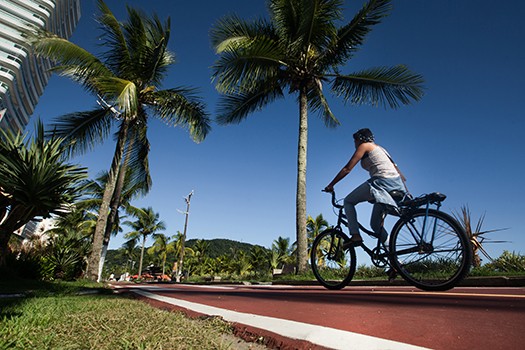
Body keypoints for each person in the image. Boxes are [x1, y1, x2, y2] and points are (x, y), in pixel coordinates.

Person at [323, 128, 407, 245]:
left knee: (348, 201)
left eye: (355, 140)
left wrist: (331, 185)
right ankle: (394, 259)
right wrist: (406, 192)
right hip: (396, 185)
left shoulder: (365, 146)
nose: (355, 143)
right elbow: (399, 173)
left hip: (382, 182)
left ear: (360, 139)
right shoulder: (382, 150)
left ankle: (355, 235)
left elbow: (347, 169)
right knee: (375, 225)